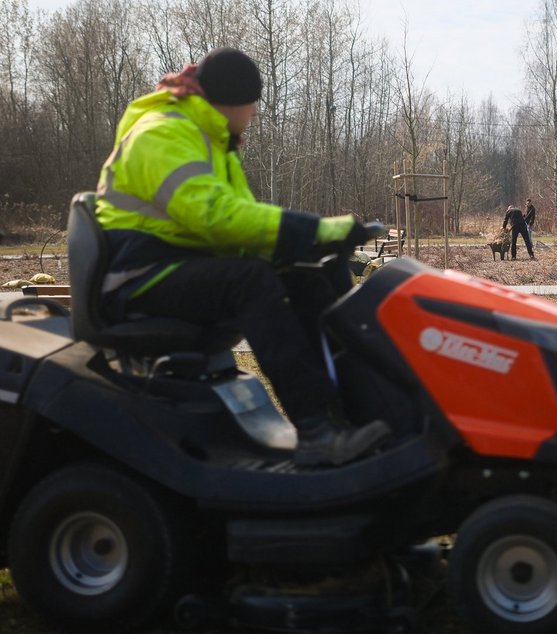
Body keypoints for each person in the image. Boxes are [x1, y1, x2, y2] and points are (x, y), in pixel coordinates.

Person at [94, 47, 390, 467]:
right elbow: (216, 217)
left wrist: (311, 246)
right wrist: (314, 228)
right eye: (252, 104)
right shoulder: (161, 133)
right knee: (250, 280)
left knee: (304, 274)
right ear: (230, 102)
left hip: (176, 265)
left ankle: (355, 413)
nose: (254, 113)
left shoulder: (211, 142)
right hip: (136, 276)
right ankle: (315, 431)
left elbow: (244, 228)